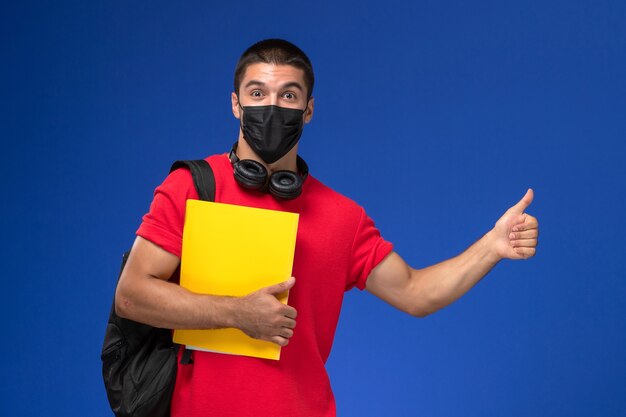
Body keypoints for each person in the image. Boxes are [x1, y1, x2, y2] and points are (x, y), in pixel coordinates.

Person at [115, 39, 539, 417]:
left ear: (309, 109)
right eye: (257, 93)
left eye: (289, 95)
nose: (272, 107)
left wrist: (492, 246)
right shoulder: (192, 187)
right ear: (235, 104)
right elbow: (132, 296)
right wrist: (234, 313)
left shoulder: (343, 217)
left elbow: (416, 293)